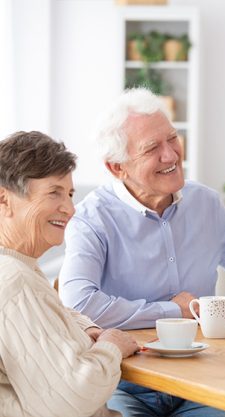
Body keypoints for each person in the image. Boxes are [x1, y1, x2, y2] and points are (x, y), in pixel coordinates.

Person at [58, 88, 225, 416]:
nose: (171, 155)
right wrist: (170, 310)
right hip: (127, 384)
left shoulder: (206, 204)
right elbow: (79, 304)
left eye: (172, 138)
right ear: (117, 167)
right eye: (152, 148)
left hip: (205, 381)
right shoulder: (91, 218)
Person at [0, 131, 138, 417]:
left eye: (70, 194)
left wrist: (85, 327)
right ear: (4, 199)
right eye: (54, 193)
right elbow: (72, 399)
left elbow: (46, 316)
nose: (70, 209)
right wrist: (112, 346)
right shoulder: (15, 280)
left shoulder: (19, 268)